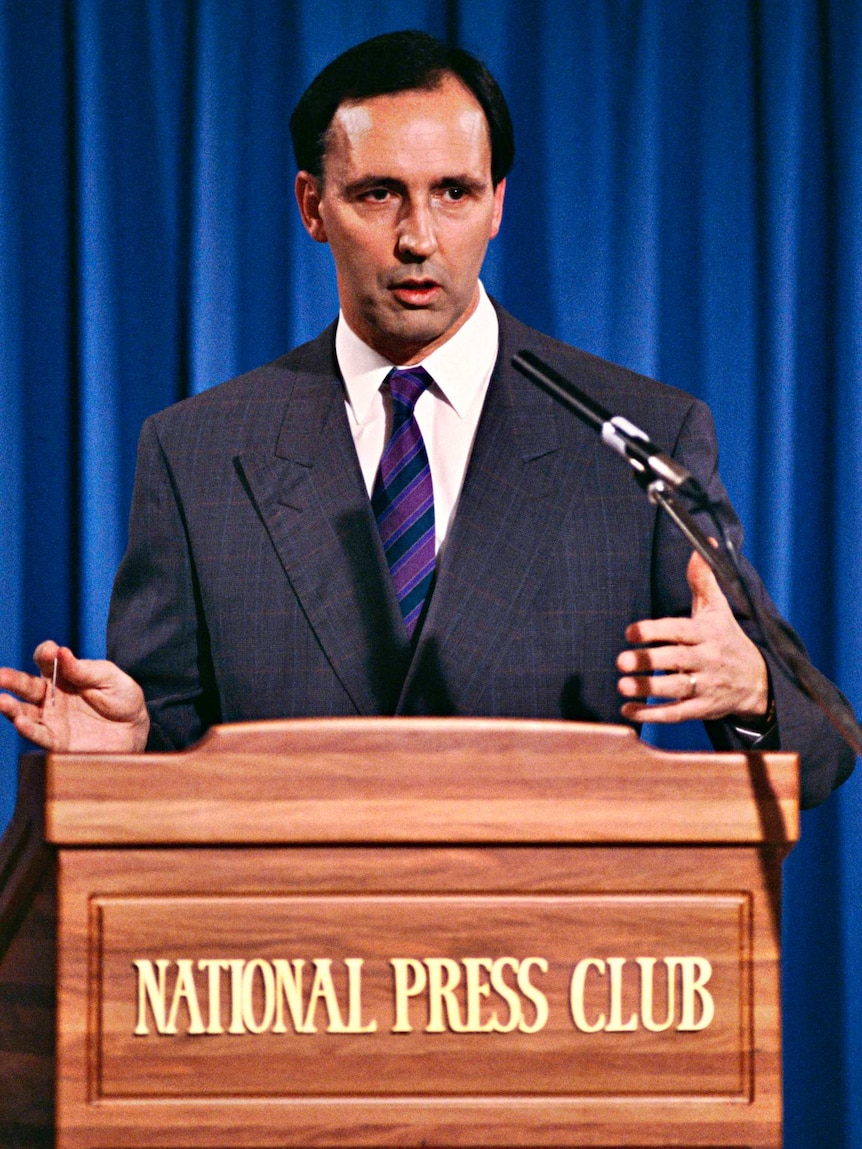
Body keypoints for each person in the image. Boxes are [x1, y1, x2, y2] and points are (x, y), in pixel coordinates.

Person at [0, 31, 853, 807]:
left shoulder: (635, 437)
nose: (419, 237)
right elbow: (173, 745)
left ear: (497, 204)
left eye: (453, 192)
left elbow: (825, 750)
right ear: (311, 206)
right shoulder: (198, 452)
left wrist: (757, 696)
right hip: (290, 959)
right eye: (378, 195)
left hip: (550, 953)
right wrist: (132, 747)